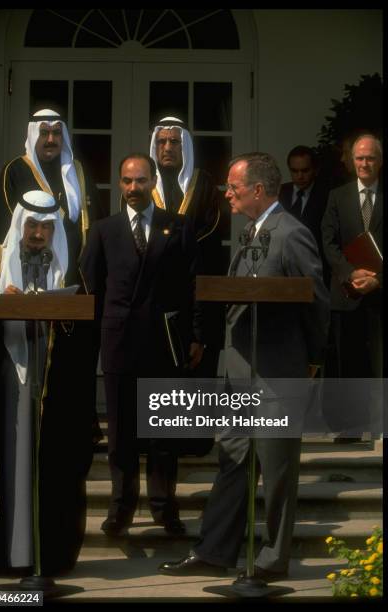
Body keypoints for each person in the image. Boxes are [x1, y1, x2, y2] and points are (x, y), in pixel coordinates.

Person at [158, 152, 329, 580]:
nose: (226, 194)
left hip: (276, 373)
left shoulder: (291, 234)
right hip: (237, 372)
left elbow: (316, 301)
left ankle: (272, 559)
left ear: (257, 190)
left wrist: (311, 360)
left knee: (276, 470)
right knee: (232, 462)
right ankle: (214, 552)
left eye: (233, 187)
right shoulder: (251, 233)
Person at [80, 153, 203, 537]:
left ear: (153, 182)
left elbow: (192, 288)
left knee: (163, 435)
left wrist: (197, 335)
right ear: (120, 184)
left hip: (163, 344)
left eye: (141, 180)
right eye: (127, 181)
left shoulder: (177, 227)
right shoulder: (103, 230)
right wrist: (86, 343)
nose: (134, 188)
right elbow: (90, 289)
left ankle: (165, 509)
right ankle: (121, 509)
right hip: (118, 343)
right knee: (121, 435)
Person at [0, 190, 93, 576]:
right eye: (31, 225)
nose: (37, 234)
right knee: (6, 469)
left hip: (50, 390)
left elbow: (82, 332)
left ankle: (44, 559)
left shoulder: (69, 269)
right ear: (19, 224)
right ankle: (6, 558)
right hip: (3, 386)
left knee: (48, 470)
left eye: (46, 228)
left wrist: (55, 311)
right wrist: (1, 305)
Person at [0, 107, 103, 445]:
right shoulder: (15, 170)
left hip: (73, 284)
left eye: (57, 133)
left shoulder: (78, 172)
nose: (51, 139)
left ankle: (77, 429)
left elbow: (91, 224)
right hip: (24, 285)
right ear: (34, 136)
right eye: (45, 133)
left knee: (71, 367)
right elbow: (3, 233)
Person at [149, 116, 225, 379]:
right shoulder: (144, 184)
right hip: (155, 285)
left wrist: (178, 250)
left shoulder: (203, 182)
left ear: (185, 146)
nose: (167, 147)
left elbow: (213, 226)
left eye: (174, 141)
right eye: (161, 141)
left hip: (195, 284)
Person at [321, 134, 382, 439]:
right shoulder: (337, 197)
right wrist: (350, 273)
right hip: (347, 295)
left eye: (370, 157)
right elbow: (328, 243)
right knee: (349, 364)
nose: (364, 163)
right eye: (359, 158)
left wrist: (378, 280)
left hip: (380, 295)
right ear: (351, 161)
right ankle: (351, 429)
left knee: (380, 363)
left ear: (380, 161)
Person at [279, 145, 329, 285]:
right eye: (294, 171)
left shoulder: (327, 195)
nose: (300, 176)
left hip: (316, 267)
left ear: (315, 170)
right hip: (283, 269)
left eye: (305, 170)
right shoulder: (279, 193)